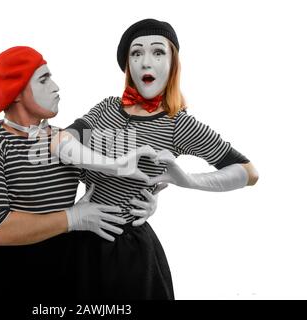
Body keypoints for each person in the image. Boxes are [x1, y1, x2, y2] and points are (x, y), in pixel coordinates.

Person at [51, 18, 259, 299]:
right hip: (78, 239)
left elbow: (248, 172)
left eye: (158, 52)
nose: (146, 62)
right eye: (136, 53)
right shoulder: (106, 108)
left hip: (128, 254)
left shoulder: (178, 125)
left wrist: (187, 180)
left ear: (173, 62)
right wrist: (112, 166)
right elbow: (59, 141)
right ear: (128, 65)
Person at [0, 46, 162, 300]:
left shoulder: (65, 142)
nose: (56, 87)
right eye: (43, 79)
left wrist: (147, 201)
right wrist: (72, 218)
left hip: (59, 277)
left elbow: (112, 180)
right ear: (16, 91)